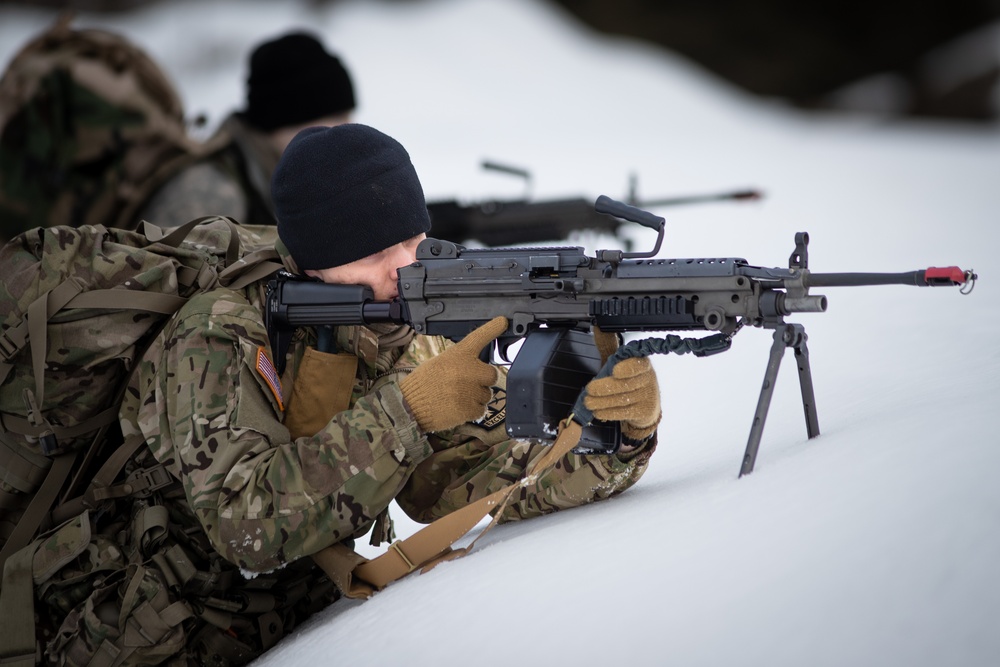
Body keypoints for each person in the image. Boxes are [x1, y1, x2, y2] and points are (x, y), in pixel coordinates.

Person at [49, 123, 659, 664]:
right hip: (146, 634)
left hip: (295, 622)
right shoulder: (220, 331)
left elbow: (469, 484)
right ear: (315, 263)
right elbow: (244, 526)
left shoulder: (401, 320)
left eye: (413, 241)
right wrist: (407, 413)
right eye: (374, 253)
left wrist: (613, 438)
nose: (403, 268)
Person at [139, 30, 356, 227]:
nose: (349, 132)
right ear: (284, 119)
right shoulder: (209, 193)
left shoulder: (283, 176)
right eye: (336, 118)